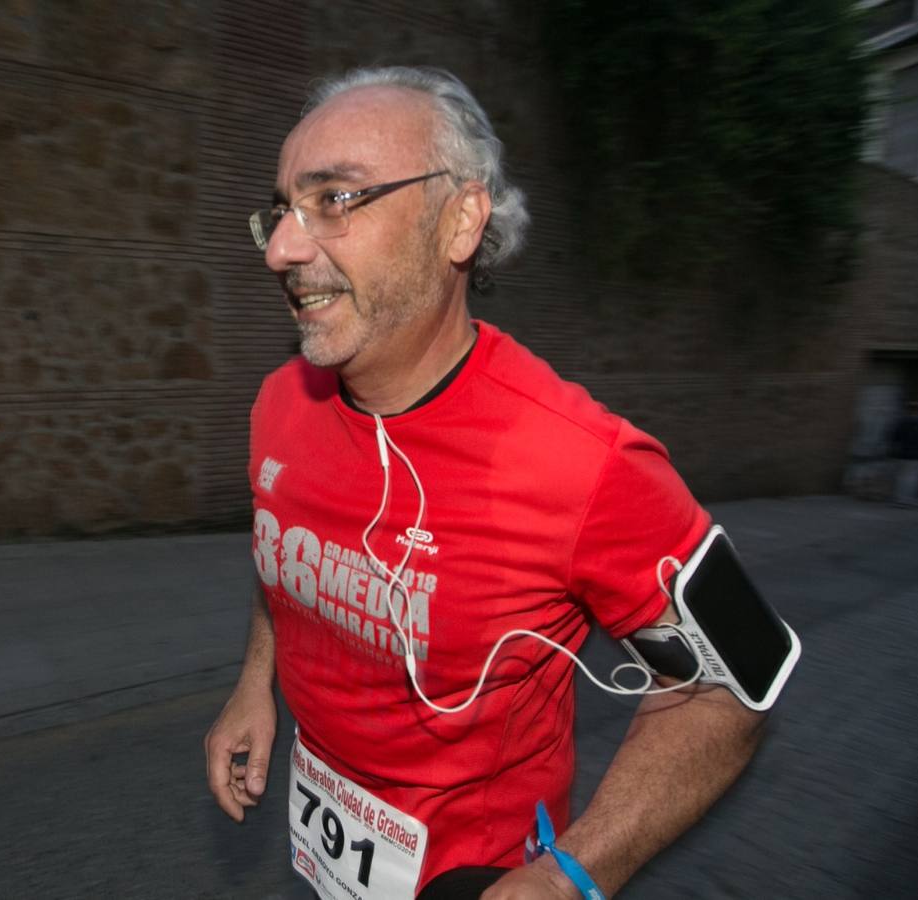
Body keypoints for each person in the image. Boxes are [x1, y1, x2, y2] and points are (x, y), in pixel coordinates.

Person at [204, 66, 765, 900]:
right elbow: (280, 552)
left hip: (480, 873)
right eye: (284, 208)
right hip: (322, 843)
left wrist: (572, 873)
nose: (282, 247)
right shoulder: (282, 401)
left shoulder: (585, 462)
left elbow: (729, 690)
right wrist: (257, 684)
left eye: (336, 200)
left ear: (459, 220)